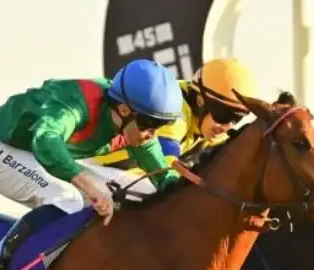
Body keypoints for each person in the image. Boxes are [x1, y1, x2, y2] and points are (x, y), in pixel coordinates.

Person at [0, 58, 185, 270]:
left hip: (38, 153)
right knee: (67, 198)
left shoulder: (133, 124)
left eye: (160, 126)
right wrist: (87, 186)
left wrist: (184, 190)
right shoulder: (76, 105)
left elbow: (160, 171)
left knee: (119, 198)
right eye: (149, 124)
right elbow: (45, 140)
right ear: (123, 110)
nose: (152, 134)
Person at [86, 57, 255, 182]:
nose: (227, 127)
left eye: (236, 119)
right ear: (201, 101)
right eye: (224, 116)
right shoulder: (177, 113)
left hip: (125, 175)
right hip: (97, 169)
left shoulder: (212, 128)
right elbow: (166, 159)